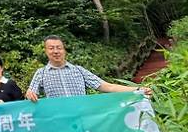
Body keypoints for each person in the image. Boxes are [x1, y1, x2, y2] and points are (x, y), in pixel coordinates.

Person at [25, 35, 153, 101]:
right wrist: (30, 95)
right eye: (51, 48)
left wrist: (137, 89)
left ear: (64, 50)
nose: (56, 51)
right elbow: (31, 95)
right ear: (46, 51)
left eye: (59, 47)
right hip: (59, 122)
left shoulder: (79, 71)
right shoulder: (40, 73)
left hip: (83, 118)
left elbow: (107, 87)